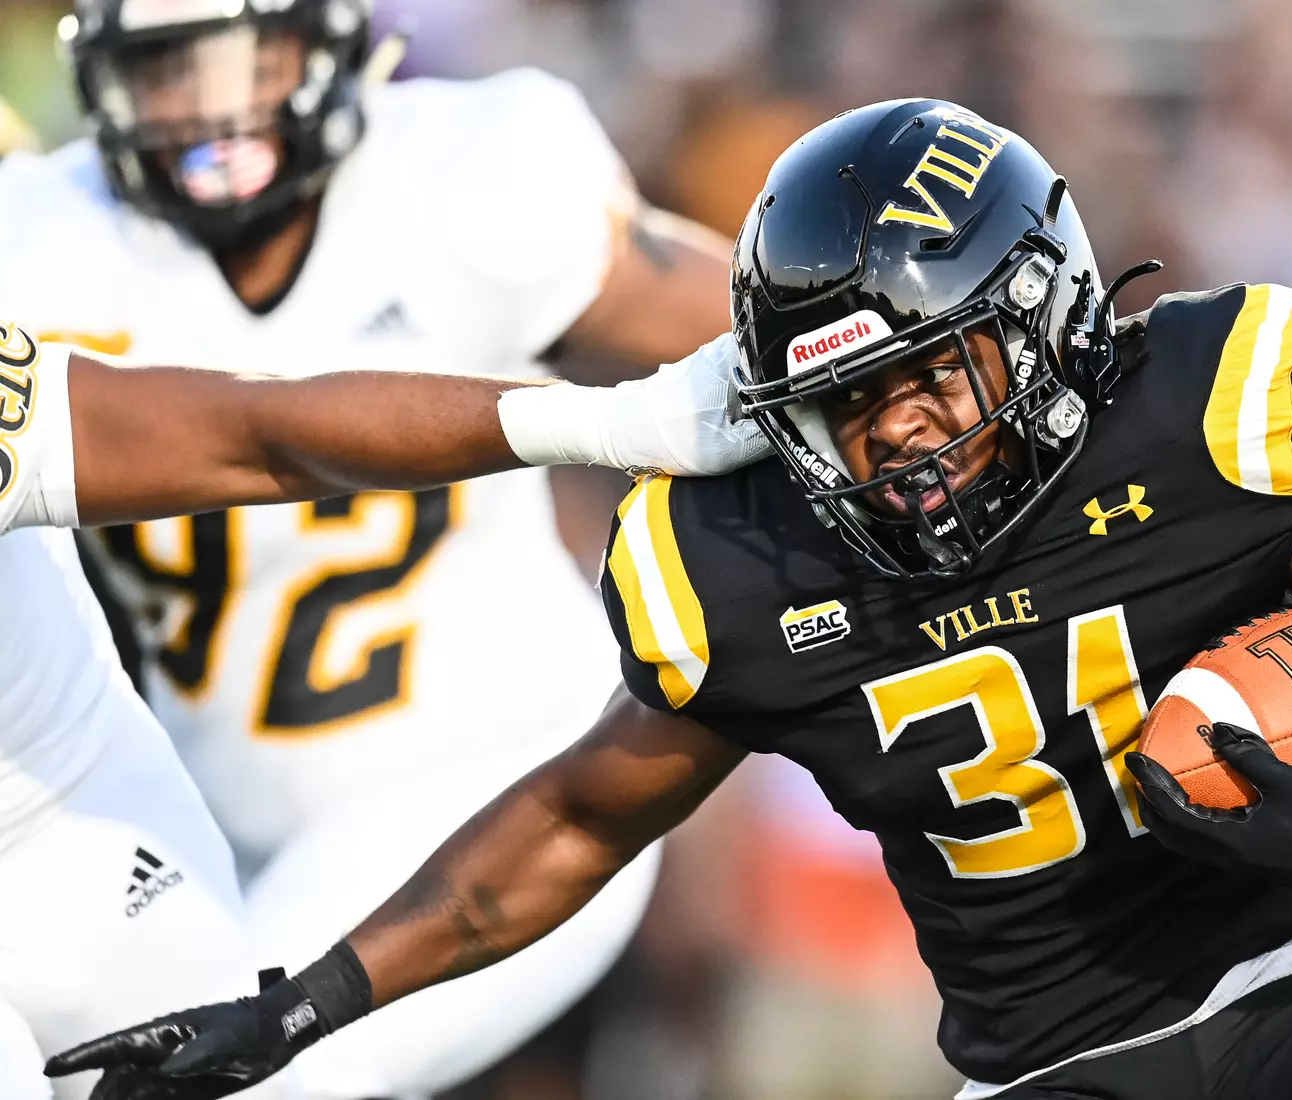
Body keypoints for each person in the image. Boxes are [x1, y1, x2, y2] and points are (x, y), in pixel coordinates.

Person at [50, 100, 1292, 1100]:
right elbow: (576, 824)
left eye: (933, 373)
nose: (901, 432)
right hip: (1042, 1063)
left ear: (1046, 318)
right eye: (850, 404)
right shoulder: (746, 563)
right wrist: (304, 1003)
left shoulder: (1203, 417)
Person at [1, 0, 741, 1093]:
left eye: (252, 62)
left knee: (251, 1078)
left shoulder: (471, 176)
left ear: (335, 44)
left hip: (502, 781)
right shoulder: (41, 238)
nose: (216, 115)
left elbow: (768, 329)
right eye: (170, 73)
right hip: (204, 828)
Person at [0, 319, 760, 1100]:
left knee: (263, 1085)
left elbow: (252, 435)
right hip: (222, 814)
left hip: (84, 821)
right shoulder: (47, 233)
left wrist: (609, 420)